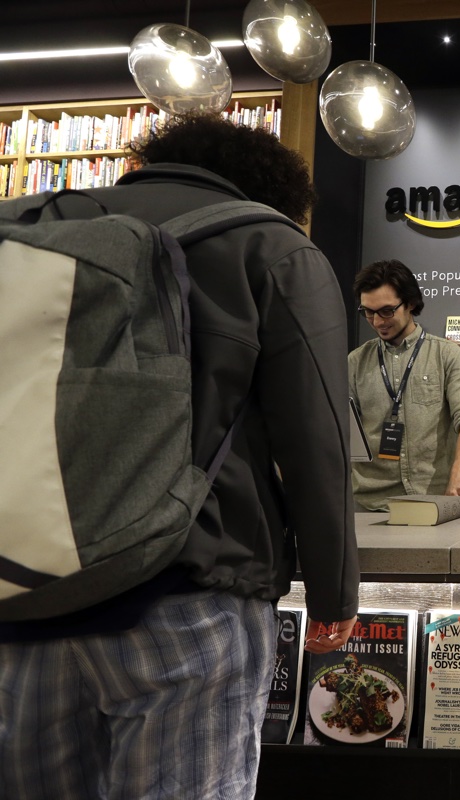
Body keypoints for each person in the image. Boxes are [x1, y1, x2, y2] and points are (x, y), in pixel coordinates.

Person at [0, 113, 359, 800]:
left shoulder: (40, 227)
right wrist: (334, 590)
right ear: (271, 190)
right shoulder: (273, 245)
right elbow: (317, 441)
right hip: (191, 595)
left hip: (26, 593)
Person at [349, 260, 460, 512]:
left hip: (434, 500)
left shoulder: (447, 355)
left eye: (387, 311)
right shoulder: (355, 362)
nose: (378, 321)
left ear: (410, 303)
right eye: (368, 312)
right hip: (370, 504)